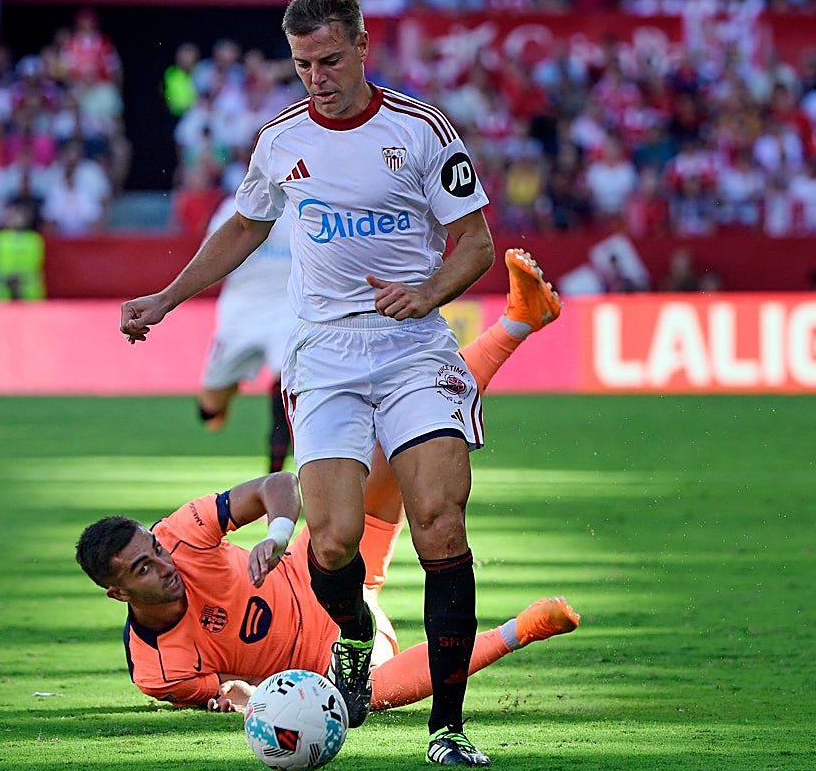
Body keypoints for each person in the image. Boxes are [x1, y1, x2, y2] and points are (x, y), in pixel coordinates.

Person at [119, 0, 503, 765]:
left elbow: (475, 244)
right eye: (302, 65)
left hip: (412, 350)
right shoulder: (282, 140)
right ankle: (355, 640)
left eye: (329, 59)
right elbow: (243, 229)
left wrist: (425, 292)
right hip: (324, 357)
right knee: (330, 546)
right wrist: (166, 295)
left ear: (363, 46)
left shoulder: (424, 131)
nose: (317, 78)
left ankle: (449, 728)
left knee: (440, 523)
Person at [82, 269, 573, 719]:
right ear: (117, 592)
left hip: (317, 563)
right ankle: (522, 630)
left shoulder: (180, 536)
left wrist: (276, 535)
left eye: (155, 550)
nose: (164, 564)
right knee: (361, 693)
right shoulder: (159, 671)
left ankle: (519, 319)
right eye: (143, 568)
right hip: (328, 656)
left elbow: (276, 485)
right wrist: (241, 695)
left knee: (413, 429)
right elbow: (239, 692)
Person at [195, 194, 295, 473]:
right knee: (210, 412)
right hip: (242, 310)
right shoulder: (234, 205)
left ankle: (275, 473)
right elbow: (212, 255)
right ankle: (232, 383)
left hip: (288, 304)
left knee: (285, 383)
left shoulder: (307, 201)